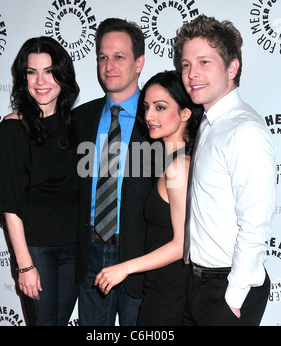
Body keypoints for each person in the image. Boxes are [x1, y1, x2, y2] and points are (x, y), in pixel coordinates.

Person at [175, 14, 276, 326]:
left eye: (204, 62)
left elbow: (256, 226)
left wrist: (232, 298)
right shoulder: (208, 122)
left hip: (228, 287)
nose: (192, 74)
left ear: (232, 68)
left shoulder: (244, 131)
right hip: (199, 282)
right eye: (186, 64)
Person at [94, 70, 203, 326]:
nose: (149, 116)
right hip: (159, 289)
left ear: (185, 113)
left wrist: (124, 268)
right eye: (146, 107)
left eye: (160, 107)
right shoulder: (168, 161)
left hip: (171, 295)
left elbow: (180, 245)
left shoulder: (179, 166)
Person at [0, 36, 80, 326]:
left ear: (62, 76)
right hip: (37, 251)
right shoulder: (12, 128)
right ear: (23, 78)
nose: (41, 81)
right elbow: (10, 204)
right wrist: (24, 265)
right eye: (32, 72)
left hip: (75, 250)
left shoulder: (76, 125)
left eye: (49, 71)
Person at [74, 18, 153, 326]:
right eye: (103, 57)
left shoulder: (160, 117)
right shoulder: (81, 117)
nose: (108, 65)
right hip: (90, 252)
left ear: (139, 62)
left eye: (119, 56)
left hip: (139, 254)